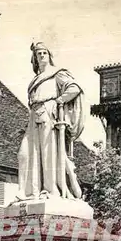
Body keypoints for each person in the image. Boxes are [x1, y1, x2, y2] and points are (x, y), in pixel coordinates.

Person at [17, 42, 84, 200]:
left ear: (49, 55)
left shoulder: (57, 74)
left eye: (44, 53)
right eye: (38, 53)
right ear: (34, 58)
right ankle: (27, 191)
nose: (41, 56)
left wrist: (60, 100)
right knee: (24, 153)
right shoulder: (35, 80)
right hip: (34, 114)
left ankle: (49, 189)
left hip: (48, 112)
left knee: (49, 153)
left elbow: (74, 88)